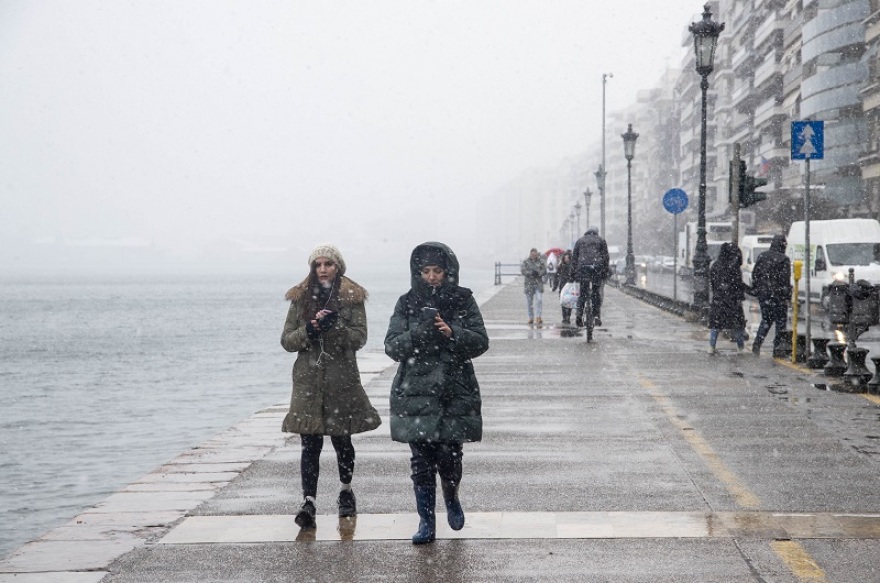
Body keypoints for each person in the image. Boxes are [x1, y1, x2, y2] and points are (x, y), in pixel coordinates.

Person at [384, 242, 489, 545]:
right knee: (420, 460)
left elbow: (481, 341)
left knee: (450, 456)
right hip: (415, 391)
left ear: (448, 272)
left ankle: (452, 494)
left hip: (454, 389)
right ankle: (426, 520)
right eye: (426, 271)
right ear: (419, 272)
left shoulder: (463, 300)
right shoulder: (406, 303)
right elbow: (392, 345)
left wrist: (452, 332)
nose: (432, 276)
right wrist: (420, 332)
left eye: (437, 271)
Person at [281, 244, 381, 529]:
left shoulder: (352, 298)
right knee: (309, 443)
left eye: (328, 264)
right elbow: (287, 340)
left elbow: (359, 339)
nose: (323, 269)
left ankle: (346, 491)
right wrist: (309, 331)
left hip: (341, 380)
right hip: (308, 382)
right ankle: (308, 502)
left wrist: (335, 326)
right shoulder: (300, 298)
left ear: (338, 267)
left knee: (342, 440)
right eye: (318, 265)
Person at [750, 234, 792, 355]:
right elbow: (785, 280)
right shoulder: (784, 259)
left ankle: (757, 344)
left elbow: (755, 275)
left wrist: (760, 289)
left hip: (764, 295)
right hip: (778, 295)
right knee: (780, 321)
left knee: (766, 320)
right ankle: (777, 347)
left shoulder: (762, 256)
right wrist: (786, 295)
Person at [708, 242, 748, 354]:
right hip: (733, 300)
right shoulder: (734, 267)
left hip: (719, 300)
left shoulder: (715, 265)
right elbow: (738, 285)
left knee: (716, 324)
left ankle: (711, 347)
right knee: (738, 325)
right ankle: (740, 348)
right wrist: (740, 297)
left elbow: (713, 283)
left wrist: (718, 292)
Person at [571, 228, 610, 327]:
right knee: (596, 292)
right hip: (597, 268)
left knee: (583, 293)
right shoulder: (601, 240)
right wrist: (605, 272)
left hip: (583, 268)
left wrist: (573, 274)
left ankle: (579, 315)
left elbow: (574, 258)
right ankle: (596, 315)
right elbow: (605, 257)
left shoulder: (580, 240)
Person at [520, 248, 547, 325]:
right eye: (532, 255)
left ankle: (538, 317)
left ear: (537, 254)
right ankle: (531, 317)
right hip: (529, 284)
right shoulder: (526, 262)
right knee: (529, 302)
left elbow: (545, 270)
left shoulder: (541, 261)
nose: (533, 256)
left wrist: (538, 273)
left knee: (539, 299)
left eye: (535, 255)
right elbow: (523, 271)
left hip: (538, 284)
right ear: (530, 254)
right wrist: (530, 273)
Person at [556, 250, 575, 324]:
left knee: (569, 301)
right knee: (563, 302)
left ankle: (568, 317)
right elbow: (557, 276)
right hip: (563, 285)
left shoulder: (572, 266)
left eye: (568, 258)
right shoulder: (561, 265)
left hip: (570, 285)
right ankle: (564, 317)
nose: (566, 259)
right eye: (565, 257)